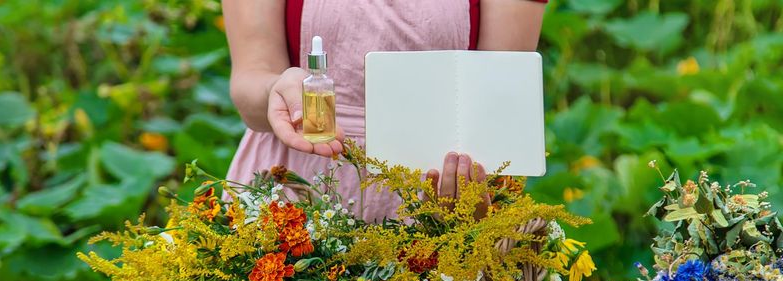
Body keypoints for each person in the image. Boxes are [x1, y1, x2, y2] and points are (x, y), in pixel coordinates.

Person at [222, 0, 546, 224]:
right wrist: (278, 91)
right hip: (296, 195)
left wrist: (467, 204)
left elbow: (499, 94)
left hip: (439, 193)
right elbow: (250, 80)